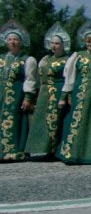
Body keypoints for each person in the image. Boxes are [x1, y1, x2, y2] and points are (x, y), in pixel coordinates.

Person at [56, 20, 91, 164]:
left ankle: (90, 154)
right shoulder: (78, 56)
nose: (90, 44)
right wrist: (66, 95)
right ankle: (72, 152)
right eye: (88, 41)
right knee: (76, 120)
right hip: (80, 94)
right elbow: (69, 77)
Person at [24, 23, 70, 158]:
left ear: (63, 45)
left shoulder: (67, 60)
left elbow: (68, 79)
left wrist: (64, 96)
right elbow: (39, 78)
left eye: (57, 43)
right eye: (52, 43)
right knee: (41, 122)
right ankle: (42, 148)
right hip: (44, 93)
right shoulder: (45, 59)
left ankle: (54, 150)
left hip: (58, 92)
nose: (54, 46)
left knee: (55, 121)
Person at [0, 20, 37, 161]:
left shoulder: (26, 60)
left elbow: (30, 79)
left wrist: (28, 97)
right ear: (5, 42)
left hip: (16, 95)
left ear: (20, 42)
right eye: (10, 39)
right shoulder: (1, 58)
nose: (12, 42)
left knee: (15, 121)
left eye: (15, 39)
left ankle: (15, 152)